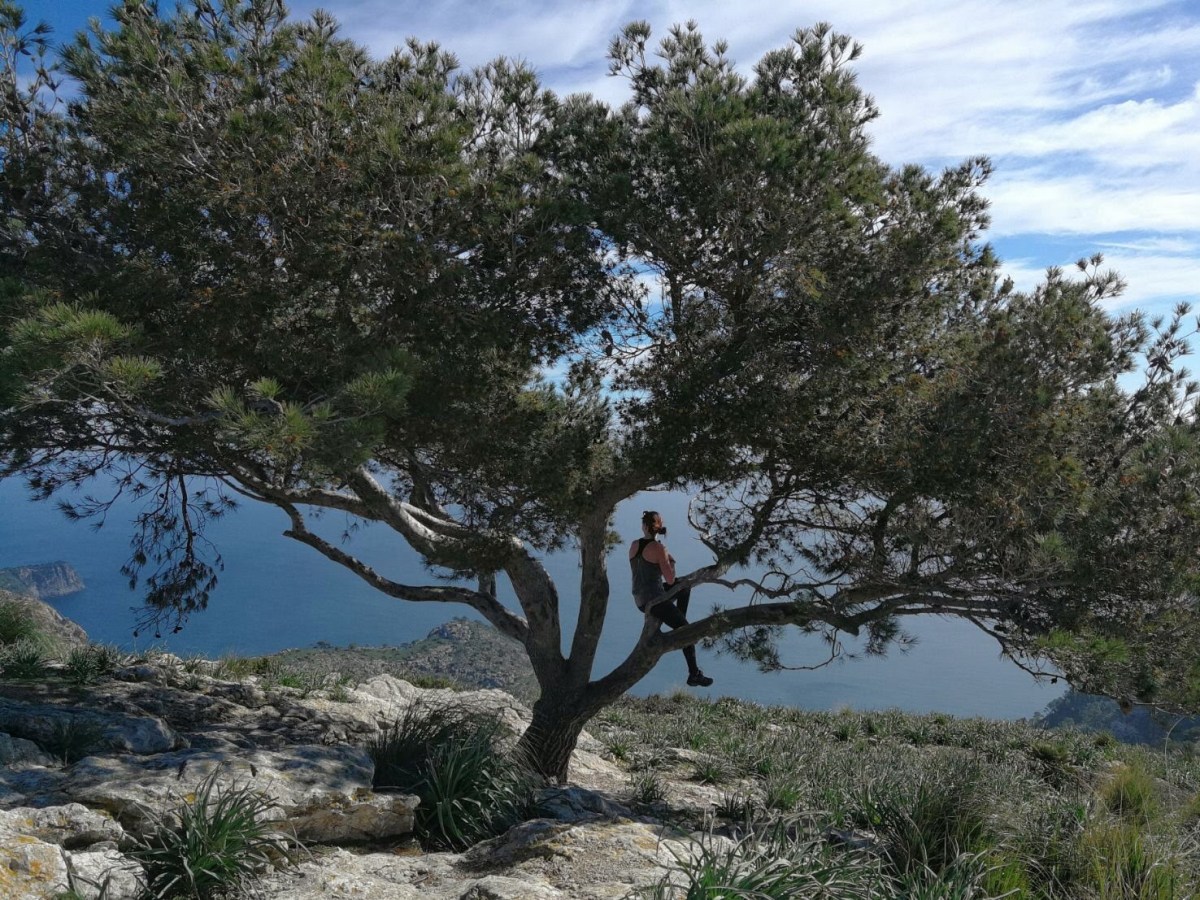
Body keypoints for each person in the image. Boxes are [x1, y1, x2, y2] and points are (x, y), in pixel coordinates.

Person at [629, 510, 714, 687]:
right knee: (687, 630)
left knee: (684, 587)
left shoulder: (634, 545)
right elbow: (669, 579)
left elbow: (645, 573)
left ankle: (678, 621)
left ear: (643, 526)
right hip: (656, 600)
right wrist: (671, 563)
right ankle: (694, 674)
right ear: (658, 527)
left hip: (639, 600)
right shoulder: (659, 548)